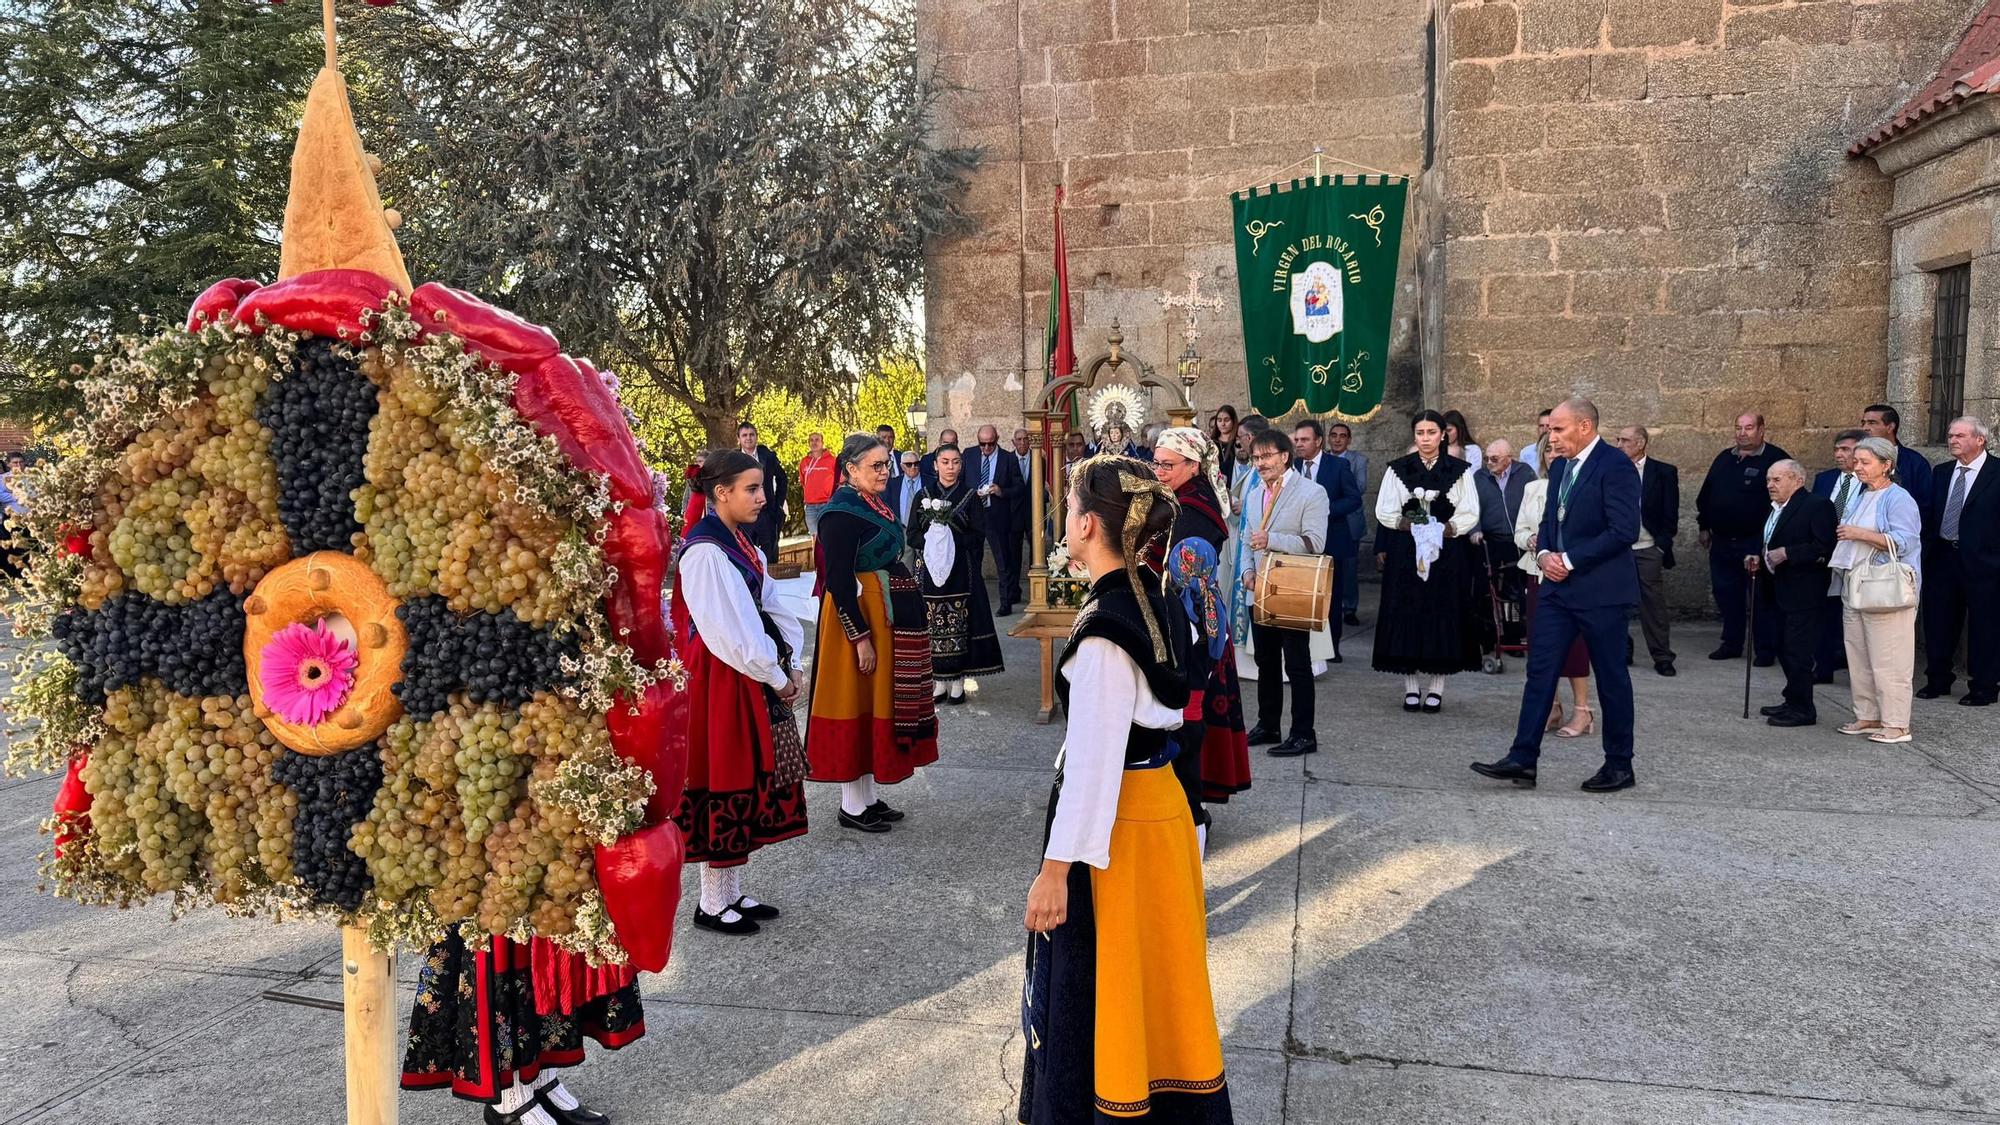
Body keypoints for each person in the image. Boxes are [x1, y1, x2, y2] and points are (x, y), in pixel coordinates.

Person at [1019, 455, 1232, 1125]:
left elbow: (1091, 763)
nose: (1064, 522)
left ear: (1087, 524)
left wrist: (1054, 872)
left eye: (1070, 509)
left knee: (1111, 979)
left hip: (1122, 830)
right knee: (1161, 980)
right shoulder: (1157, 594)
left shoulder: (1107, 630)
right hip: (1161, 809)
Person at [1473, 397, 1641, 793]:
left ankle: (1619, 764)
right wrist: (1546, 553)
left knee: (1612, 676)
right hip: (1556, 590)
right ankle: (1523, 758)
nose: (1551, 436)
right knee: (1540, 671)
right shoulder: (1562, 466)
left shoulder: (1616, 466)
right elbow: (1551, 519)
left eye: (1559, 429)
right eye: (1549, 429)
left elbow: (1623, 530)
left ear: (1584, 427)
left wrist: (1570, 558)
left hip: (1600, 592)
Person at [674, 450, 809, 935]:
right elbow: (731, 631)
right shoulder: (706, 551)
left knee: (747, 773)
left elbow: (771, 604)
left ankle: (729, 891)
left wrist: (789, 659)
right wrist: (775, 674)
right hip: (723, 677)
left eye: (761, 487)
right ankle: (710, 903)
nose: (762, 496)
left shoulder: (740, 543)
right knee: (725, 773)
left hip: (745, 672)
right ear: (720, 494)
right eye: (751, 489)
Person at [805, 435, 940, 832]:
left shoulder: (871, 502)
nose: (885, 472)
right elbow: (839, 581)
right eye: (876, 465)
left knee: (874, 703)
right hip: (858, 619)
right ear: (850, 469)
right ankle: (851, 804)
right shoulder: (839, 514)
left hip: (884, 616)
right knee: (855, 702)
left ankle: (866, 797)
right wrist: (859, 636)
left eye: (887, 464)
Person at [1151, 427, 1253, 830]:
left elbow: (1179, 576)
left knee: (1188, 724)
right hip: (1187, 619)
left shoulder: (1193, 509)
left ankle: (1191, 818)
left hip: (1192, 627)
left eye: (1167, 464)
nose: (1158, 470)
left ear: (1193, 466)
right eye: (1155, 461)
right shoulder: (1180, 497)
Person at [1373, 410, 1483, 713]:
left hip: (1446, 553)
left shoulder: (1460, 470)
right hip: (1406, 552)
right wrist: (1408, 525)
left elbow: (1470, 509)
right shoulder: (1397, 469)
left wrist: (1447, 528)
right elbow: (1385, 508)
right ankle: (1410, 686)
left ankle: (1437, 686)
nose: (1425, 439)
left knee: (1441, 610)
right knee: (1406, 610)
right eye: (1420, 433)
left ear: (1443, 435)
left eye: (1431, 432)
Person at [1232, 429, 1329, 756]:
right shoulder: (1254, 491)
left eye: (1267, 456)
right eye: (1256, 457)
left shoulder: (1312, 493)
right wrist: (1246, 571)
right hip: (1259, 587)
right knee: (1266, 660)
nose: (1260, 463)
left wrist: (1271, 540)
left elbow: (1315, 543)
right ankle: (1268, 723)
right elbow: (1247, 536)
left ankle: (1304, 733)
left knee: (1298, 662)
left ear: (1284, 456)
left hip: (1292, 587)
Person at [1833, 436, 1924, 743]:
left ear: (1887, 465)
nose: (1857, 467)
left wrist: (1859, 533)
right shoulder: (1861, 493)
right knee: (1858, 654)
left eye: (1865, 462)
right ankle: (1868, 715)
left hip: (1885, 587)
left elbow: (1905, 541)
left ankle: (1897, 724)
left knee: (1890, 658)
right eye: (1856, 461)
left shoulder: (1899, 498)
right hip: (1857, 582)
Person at [910, 444, 1005, 703]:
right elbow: (912, 535)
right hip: (929, 574)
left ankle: (958, 681)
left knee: (958, 622)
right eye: (945, 462)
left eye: (955, 462)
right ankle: (938, 681)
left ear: (961, 465)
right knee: (933, 624)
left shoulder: (969, 496)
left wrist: (950, 540)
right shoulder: (923, 496)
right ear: (935, 464)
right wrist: (933, 539)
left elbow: (978, 535)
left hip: (961, 571)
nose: (950, 467)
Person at [1514, 440, 1594, 738]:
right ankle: (1553, 706)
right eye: (1548, 450)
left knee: (1575, 645)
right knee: (1543, 645)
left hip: (1573, 574)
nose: (1554, 455)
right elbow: (1519, 529)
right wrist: (1530, 540)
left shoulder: (1583, 484)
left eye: (1559, 450)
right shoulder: (1533, 489)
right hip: (1538, 571)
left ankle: (1583, 710)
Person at [1747, 460, 1836, 727]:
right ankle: (1792, 699)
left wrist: (1789, 553)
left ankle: (1803, 709)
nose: (1770, 485)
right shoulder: (1774, 508)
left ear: (1797, 480)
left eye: (1777, 480)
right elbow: (1769, 541)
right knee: (1783, 648)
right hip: (1776, 589)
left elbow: (1825, 547)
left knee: (1798, 651)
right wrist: (1757, 556)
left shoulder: (1816, 506)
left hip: (1803, 591)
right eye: (1768, 480)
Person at [1695, 412, 1789, 664]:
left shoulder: (1776, 459)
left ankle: (1765, 649)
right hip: (1723, 541)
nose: (1742, 433)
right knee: (1726, 594)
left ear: (1761, 430)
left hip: (1756, 541)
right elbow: (1706, 496)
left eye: (1749, 428)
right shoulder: (1725, 458)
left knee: (1760, 597)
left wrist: (1768, 540)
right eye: (1738, 428)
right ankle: (1732, 643)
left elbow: (1784, 502)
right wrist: (1704, 526)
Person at [1919, 416, 1999, 706]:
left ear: (1980, 440)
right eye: (1951, 435)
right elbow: (1931, 514)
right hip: (1943, 557)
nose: (1953, 440)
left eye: (1960, 436)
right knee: (1939, 621)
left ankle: (1984, 686)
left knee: (1984, 626)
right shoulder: (1941, 472)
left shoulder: (1997, 472)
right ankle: (1937, 679)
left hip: (1984, 562)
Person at [1290, 419, 1363, 653]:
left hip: (1332, 539)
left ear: (1318, 441)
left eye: (1305, 440)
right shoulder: (1292, 466)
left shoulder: (1337, 466)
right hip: (1300, 543)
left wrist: (1324, 509)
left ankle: (1331, 648)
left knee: (1331, 596)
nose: (1299, 444)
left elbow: (1353, 499)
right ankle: (1305, 646)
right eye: (1297, 440)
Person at [1616, 425, 1679, 676]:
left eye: (1624, 440)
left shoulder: (1663, 472)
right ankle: (1622, 649)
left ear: (1640, 443)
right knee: (1616, 602)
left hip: (1648, 547)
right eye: (1618, 440)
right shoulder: (1612, 470)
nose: (1618, 444)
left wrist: (1661, 546)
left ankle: (1662, 656)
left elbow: (1670, 513)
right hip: (1617, 549)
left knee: (1652, 604)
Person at [1811, 430, 1865, 682]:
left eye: (1846, 449)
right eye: (1837, 449)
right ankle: (1823, 666)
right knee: (1824, 612)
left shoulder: (1869, 483)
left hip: (1854, 556)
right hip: (1825, 556)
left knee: (1852, 613)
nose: (1839, 454)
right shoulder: (1824, 479)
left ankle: (1851, 665)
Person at [971, 424, 1027, 614]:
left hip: (998, 517)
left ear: (997, 439)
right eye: (982, 444)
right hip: (974, 517)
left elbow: (1019, 487)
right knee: (972, 560)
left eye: (990, 444)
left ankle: (1005, 603)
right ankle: (973, 602)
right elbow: (962, 482)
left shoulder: (1008, 459)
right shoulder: (969, 455)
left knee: (1003, 562)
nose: (986, 448)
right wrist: (972, 494)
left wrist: (1001, 491)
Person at [1862, 404, 1934, 522]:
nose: (1865, 428)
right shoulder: (1858, 459)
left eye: (1872, 423)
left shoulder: (1915, 462)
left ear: (1890, 427)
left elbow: (1925, 505)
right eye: (1863, 423)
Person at [1329, 422, 1369, 625]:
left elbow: (1360, 487)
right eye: (1334, 435)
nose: (1337, 439)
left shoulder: (1358, 460)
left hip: (1350, 521)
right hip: (1325, 523)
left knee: (1349, 570)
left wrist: (1335, 482)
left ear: (1349, 439)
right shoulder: (1321, 461)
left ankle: (1350, 608)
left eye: (1342, 436)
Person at [737, 422, 788, 563]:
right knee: (746, 556)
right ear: (739, 439)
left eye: (752, 435)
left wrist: (778, 503)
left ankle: (768, 584)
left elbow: (782, 478)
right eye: (744, 435)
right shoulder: (733, 459)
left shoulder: (767, 456)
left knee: (770, 557)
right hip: (744, 514)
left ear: (756, 437)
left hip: (767, 512)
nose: (748, 438)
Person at [799, 432, 837, 537]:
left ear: (822, 443)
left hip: (826, 504)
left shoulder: (832, 460)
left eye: (817, 440)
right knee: (814, 537)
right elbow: (803, 482)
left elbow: (838, 481)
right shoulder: (804, 462)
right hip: (810, 506)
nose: (814, 442)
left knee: (828, 535)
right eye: (811, 440)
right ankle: (816, 554)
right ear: (808, 443)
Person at [886, 450, 923, 528]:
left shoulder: (930, 482)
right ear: (902, 466)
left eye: (916, 463)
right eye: (909, 464)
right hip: (901, 530)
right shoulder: (893, 484)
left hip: (923, 531)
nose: (913, 467)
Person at [1209, 405, 1241, 488]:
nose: (1223, 424)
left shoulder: (1239, 442)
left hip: (1236, 482)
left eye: (1226, 420)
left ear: (1233, 421)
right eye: (1219, 420)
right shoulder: (1211, 443)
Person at [1520, 408, 1553, 473]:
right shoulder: (1526, 453)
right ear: (1537, 428)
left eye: (1548, 426)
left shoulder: (1560, 451)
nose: (1544, 429)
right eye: (1541, 426)